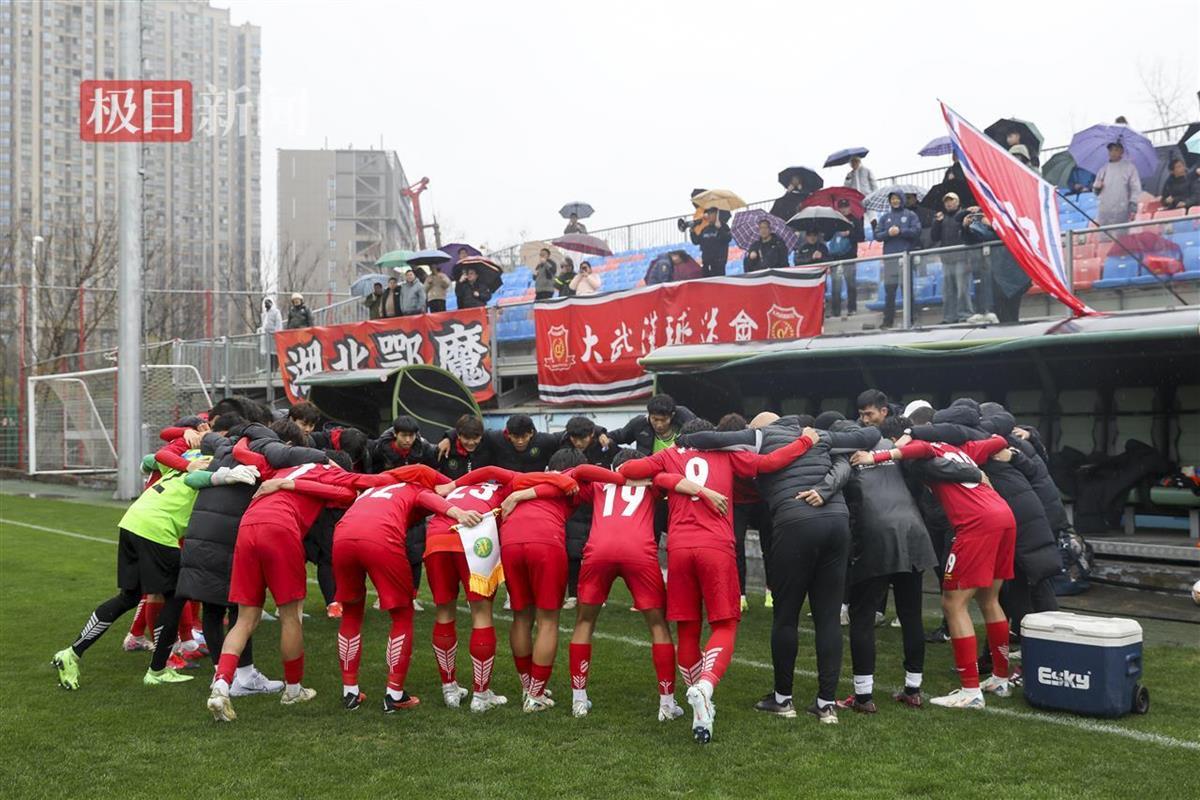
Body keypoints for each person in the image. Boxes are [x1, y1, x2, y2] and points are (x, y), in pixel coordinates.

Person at [620, 419, 822, 742]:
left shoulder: (669, 454)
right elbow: (769, 463)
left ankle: (698, 703)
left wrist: (663, 476)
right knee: (725, 624)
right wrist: (805, 442)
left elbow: (628, 469)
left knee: (687, 627)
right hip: (716, 545)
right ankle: (705, 687)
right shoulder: (725, 454)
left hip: (679, 548)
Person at [679, 415, 880, 725]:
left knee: (786, 615)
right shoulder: (819, 434)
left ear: (759, 427)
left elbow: (710, 438)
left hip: (795, 522)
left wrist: (682, 441)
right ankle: (826, 704)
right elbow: (871, 436)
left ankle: (783, 699)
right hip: (837, 523)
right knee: (828, 617)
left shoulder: (760, 436)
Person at [204, 447, 402, 722]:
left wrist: (283, 478)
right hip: (280, 528)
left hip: (247, 527)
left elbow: (243, 451)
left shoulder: (282, 468)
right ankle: (293, 690)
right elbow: (368, 485)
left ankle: (221, 685)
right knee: (290, 616)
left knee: (245, 619)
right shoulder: (334, 474)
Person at [52, 442, 259, 690]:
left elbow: (150, 460)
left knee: (129, 597)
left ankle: (71, 653)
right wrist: (222, 475)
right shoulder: (212, 466)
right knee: (177, 596)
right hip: (157, 530)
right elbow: (193, 479)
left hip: (132, 521)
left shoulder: (187, 460)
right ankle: (157, 670)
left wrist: (184, 460)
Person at [851, 431, 1017, 708]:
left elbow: (915, 451)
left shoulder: (927, 447)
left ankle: (970, 691)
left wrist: (877, 456)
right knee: (990, 599)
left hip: (976, 523)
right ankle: (1000, 678)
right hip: (1004, 515)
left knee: (953, 604)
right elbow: (998, 440)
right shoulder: (962, 448)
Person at [566, 453, 709, 721]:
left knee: (584, 622)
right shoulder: (650, 484)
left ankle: (579, 701)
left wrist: (613, 478)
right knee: (658, 625)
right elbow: (672, 481)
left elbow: (577, 473)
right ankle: (666, 704)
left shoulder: (600, 483)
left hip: (598, 551)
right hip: (639, 552)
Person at [331, 465, 482, 713]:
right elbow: (433, 500)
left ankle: (350, 691)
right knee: (402, 615)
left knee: (351, 612)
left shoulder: (375, 487)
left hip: (342, 538)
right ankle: (394, 695)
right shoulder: (416, 488)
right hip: (380, 538)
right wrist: (459, 512)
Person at [437, 413, 561, 472]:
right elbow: (470, 431)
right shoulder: (496, 438)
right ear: (508, 433)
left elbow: (566, 435)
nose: (520, 441)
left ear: (532, 433)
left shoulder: (545, 440)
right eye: (515, 437)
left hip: (534, 489)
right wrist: (449, 437)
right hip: (505, 491)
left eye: (524, 437)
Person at [874, 190, 921, 329]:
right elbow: (877, 235)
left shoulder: (910, 215)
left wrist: (901, 231)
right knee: (889, 291)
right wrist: (888, 233)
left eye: (897, 198)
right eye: (892, 199)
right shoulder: (885, 217)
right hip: (890, 258)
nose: (895, 201)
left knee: (907, 289)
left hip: (905, 257)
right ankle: (888, 321)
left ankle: (911, 319)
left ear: (902, 199)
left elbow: (916, 231)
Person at [963, 210, 1020, 323]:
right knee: (1002, 311)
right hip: (997, 273)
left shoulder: (1007, 219)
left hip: (1012, 272)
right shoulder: (983, 228)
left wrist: (993, 225)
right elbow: (971, 239)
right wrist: (966, 228)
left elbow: (1008, 234)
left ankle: (1010, 324)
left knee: (1011, 308)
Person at [931, 192, 974, 324]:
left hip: (962, 257)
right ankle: (949, 317)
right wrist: (937, 223)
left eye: (952, 200)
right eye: (946, 201)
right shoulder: (941, 218)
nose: (949, 203)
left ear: (958, 202)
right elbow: (934, 237)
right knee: (948, 290)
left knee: (962, 289)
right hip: (947, 259)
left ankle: (965, 314)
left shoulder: (965, 215)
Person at [826, 199, 864, 318]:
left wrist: (849, 234)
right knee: (836, 285)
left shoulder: (855, 220)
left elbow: (861, 237)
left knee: (851, 284)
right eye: (841, 207)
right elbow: (827, 237)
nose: (843, 210)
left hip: (849, 257)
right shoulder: (835, 220)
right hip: (835, 257)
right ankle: (835, 310)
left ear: (849, 207)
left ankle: (852, 308)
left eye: (845, 207)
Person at [1093, 142, 1142, 226]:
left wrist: (1133, 205)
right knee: (1104, 233)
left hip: (1122, 210)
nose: (1113, 153)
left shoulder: (1129, 167)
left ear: (1122, 151)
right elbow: (1095, 191)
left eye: (1116, 150)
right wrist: (1097, 188)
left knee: (1121, 233)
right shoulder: (1103, 169)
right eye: (1111, 150)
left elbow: (1135, 188)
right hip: (1104, 210)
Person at [690, 207, 733, 278]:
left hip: (718, 264)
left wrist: (720, 228)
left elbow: (727, 239)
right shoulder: (705, 229)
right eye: (708, 213)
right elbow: (696, 241)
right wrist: (692, 232)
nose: (708, 215)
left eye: (711, 213)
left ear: (717, 214)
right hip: (706, 264)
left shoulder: (724, 226)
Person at [260, 297, 282, 369]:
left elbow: (278, 324)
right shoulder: (264, 314)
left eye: (269, 302)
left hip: (273, 337)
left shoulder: (276, 312)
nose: (267, 304)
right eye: (265, 303)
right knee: (268, 353)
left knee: (275, 353)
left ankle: (275, 368)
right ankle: (269, 369)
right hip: (266, 337)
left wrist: (276, 334)